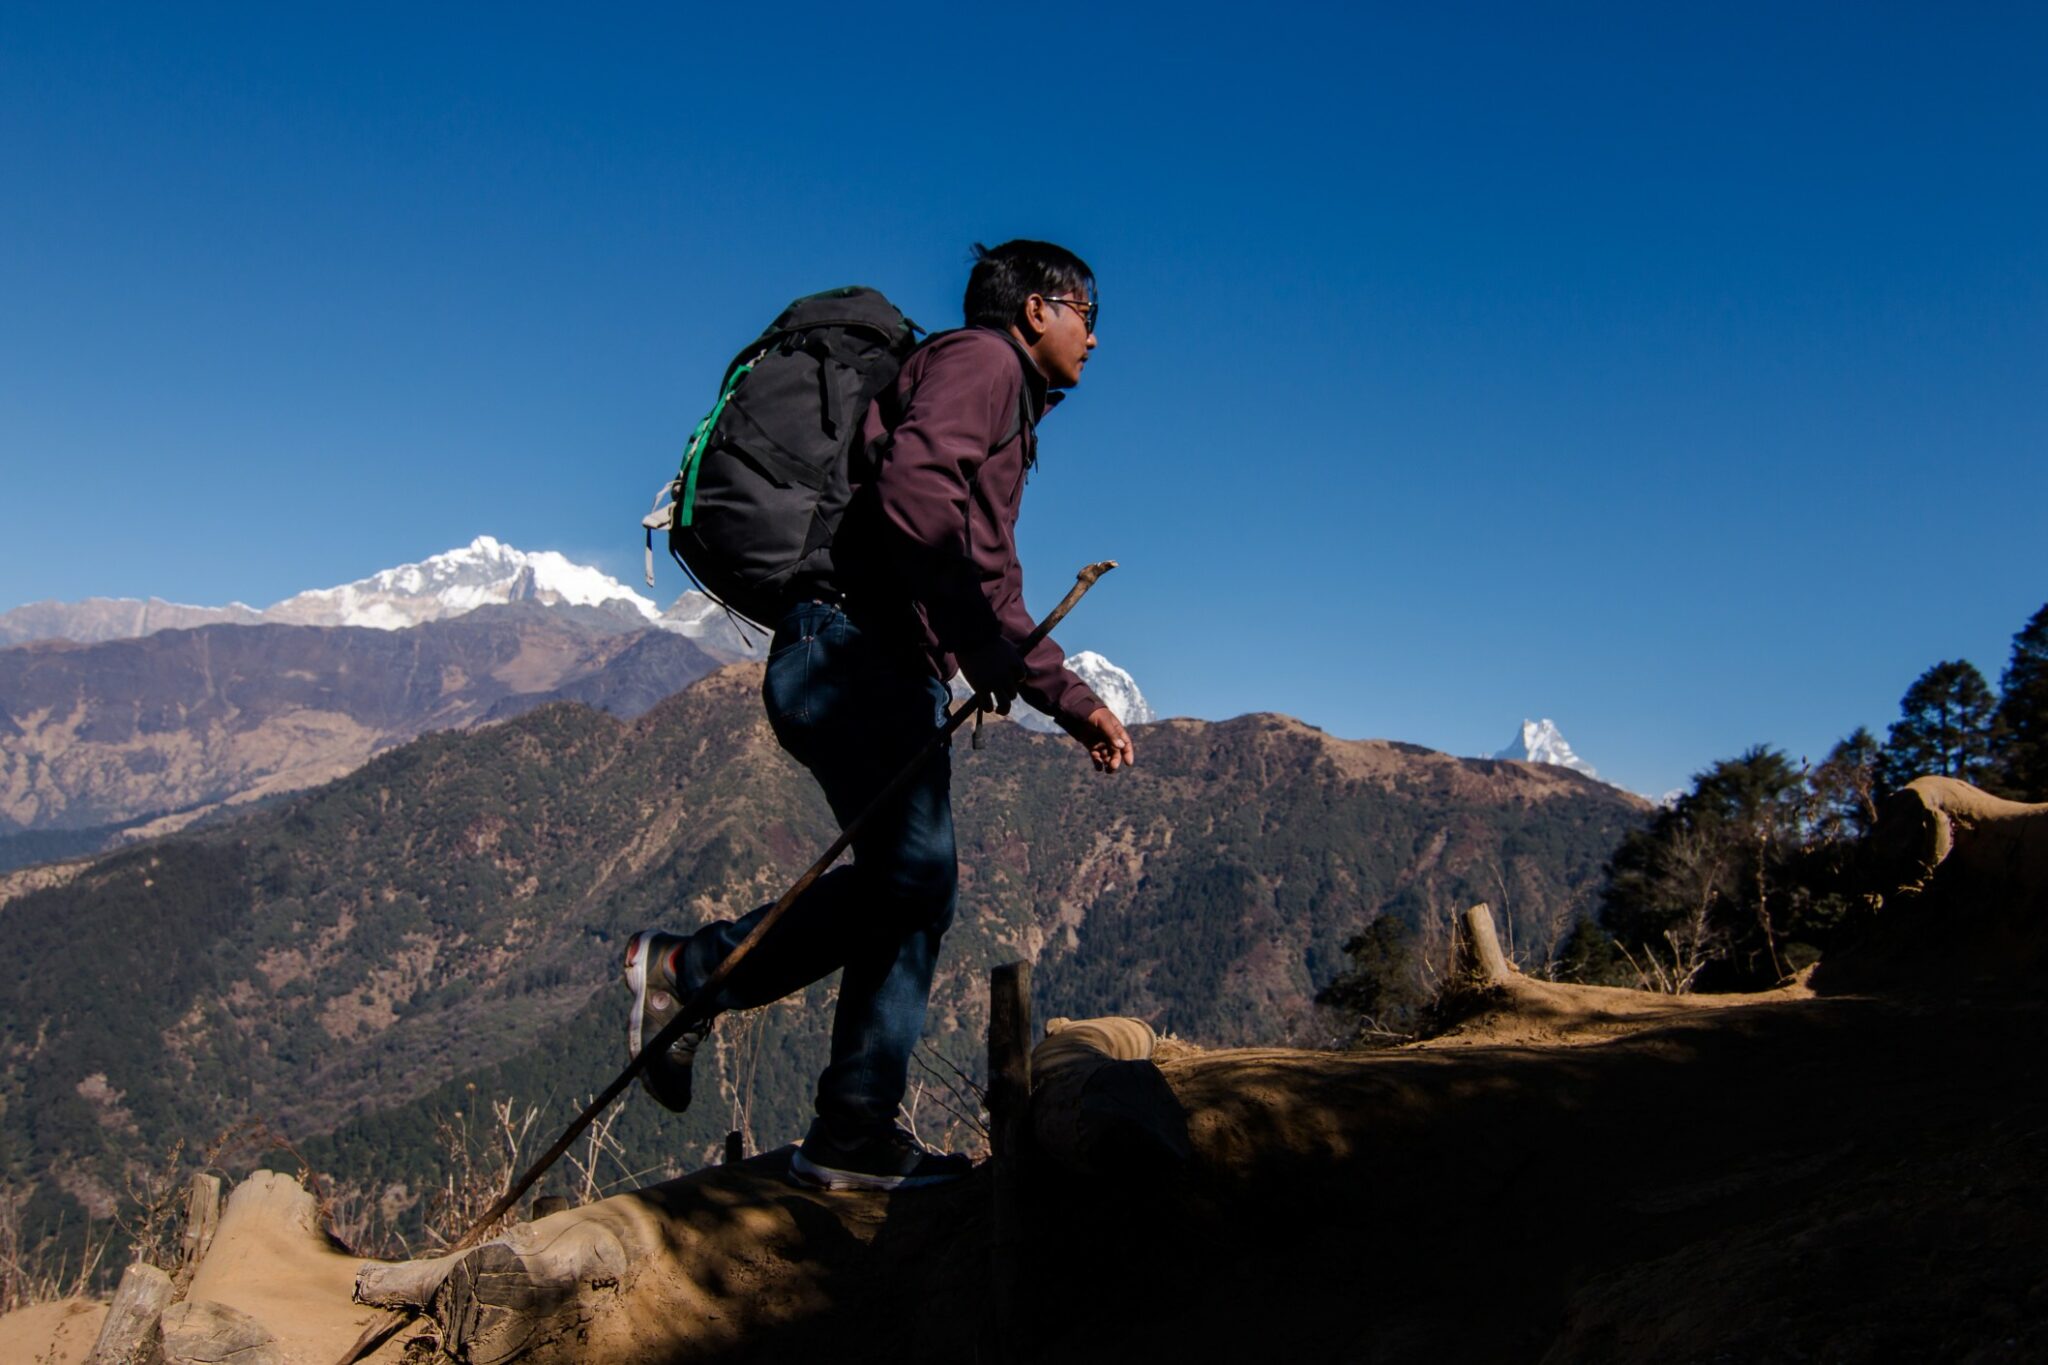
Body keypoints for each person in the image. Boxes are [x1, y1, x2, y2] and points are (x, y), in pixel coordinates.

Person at [624, 240, 1135, 1190]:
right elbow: (913, 501)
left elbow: (991, 591)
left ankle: (838, 1118)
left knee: (915, 888)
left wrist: (1073, 704)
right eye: (1082, 311)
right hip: (853, 652)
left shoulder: (1004, 411)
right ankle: (696, 984)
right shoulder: (983, 364)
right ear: (1034, 312)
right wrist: (961, 628)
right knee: (914, 879)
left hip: (871, 659)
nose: (1094, 337)